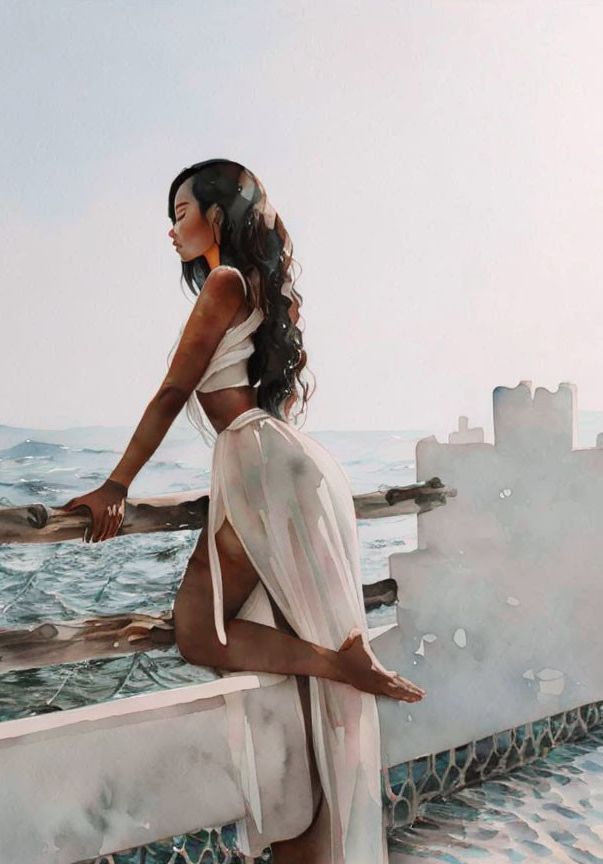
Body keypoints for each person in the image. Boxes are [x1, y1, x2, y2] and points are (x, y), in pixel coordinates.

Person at [61, 159, 425, 864]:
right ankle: (336, 670)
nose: (172, 230)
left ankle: (338, 662)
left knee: (198, 631)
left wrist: (115, 486)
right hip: (285, 460)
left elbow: (173, 393)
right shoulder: (256, 288)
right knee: (276, 666)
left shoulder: (225, 282)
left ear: (216, 219)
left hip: (257, 461)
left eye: (181, 213)